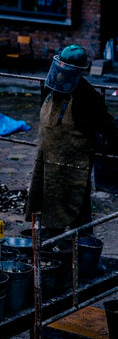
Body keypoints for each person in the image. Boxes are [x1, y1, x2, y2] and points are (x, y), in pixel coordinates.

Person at [25, 44, 118, 236]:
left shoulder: (88, 96)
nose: (61, 75)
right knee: (48, 206)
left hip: (74, 166)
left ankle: (83, 252)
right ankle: (53, 249)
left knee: (78, 211)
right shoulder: (50, 87)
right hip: (47, 161)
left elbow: (108, 127)